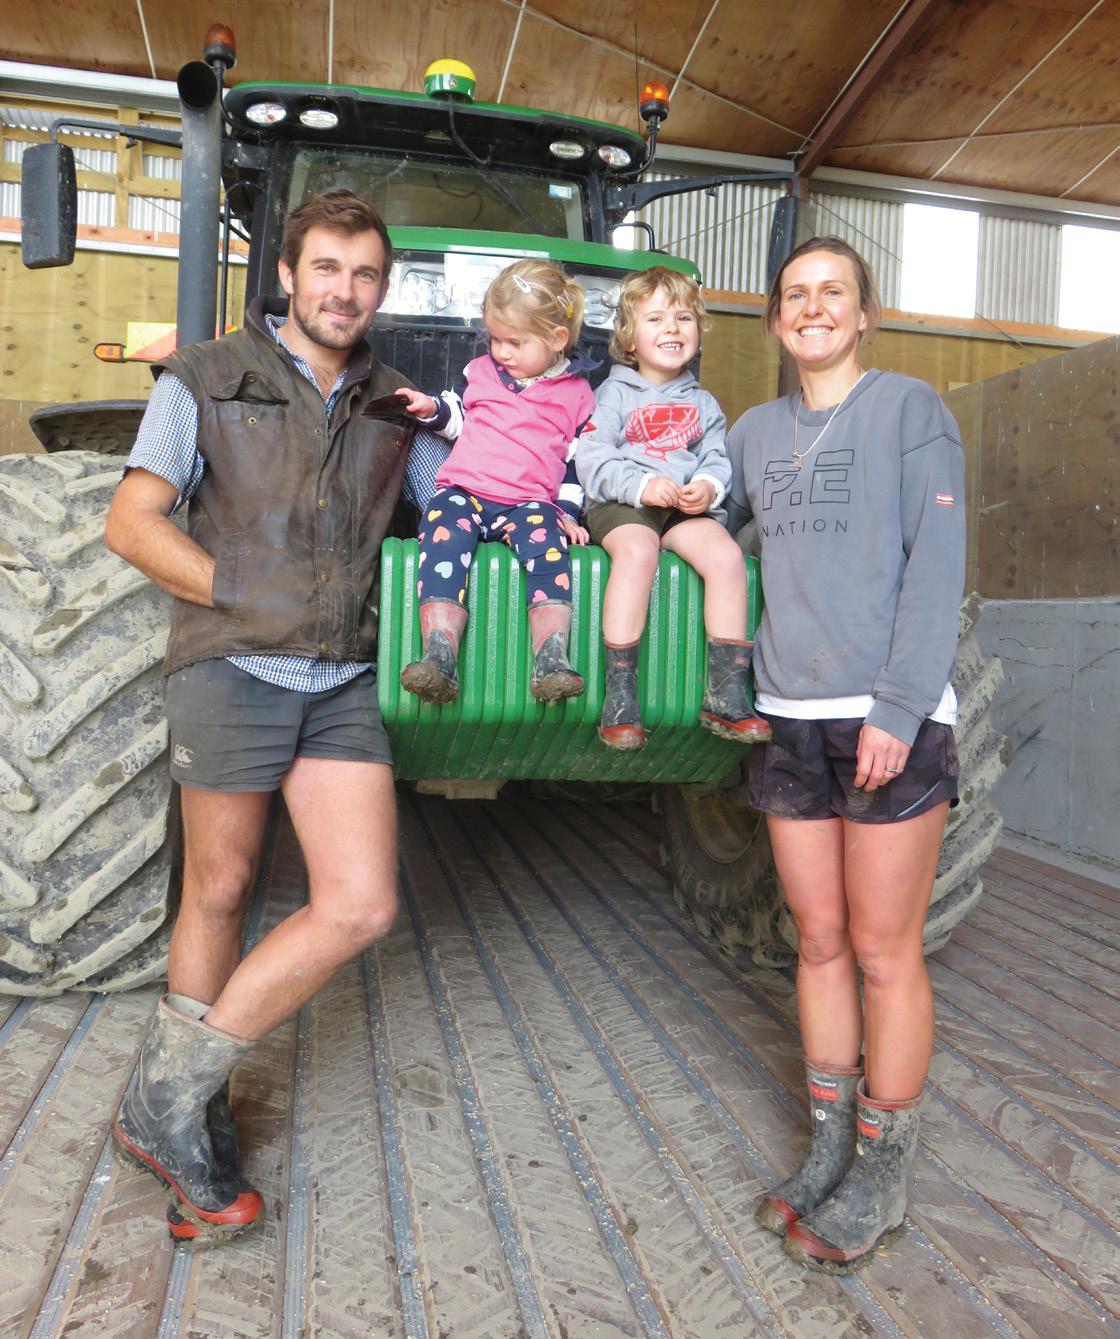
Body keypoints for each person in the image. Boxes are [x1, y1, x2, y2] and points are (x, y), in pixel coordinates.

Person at [103, 189, 413, 1244]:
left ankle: (162, 1097)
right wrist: (236, 593)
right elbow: (132, 522)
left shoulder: (396, 403)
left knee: (361, 903)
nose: (344, 290)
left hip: (340, 678)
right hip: (231, 665)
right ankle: (195, 1119)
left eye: (364, 274)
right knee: (222, 888)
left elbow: (470, 496)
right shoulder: (205, 377)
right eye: (327, 267)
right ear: (287, 274)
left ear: (382, 288)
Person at [725, 236, 965, 1272]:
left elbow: (936, 564)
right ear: (776, 319)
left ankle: (883, 1167)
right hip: (789, 713)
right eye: (795, 294)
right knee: (817, 940)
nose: (813, 308)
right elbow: (716, 528)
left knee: (881, 948)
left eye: (833, 293)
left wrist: (899, 707)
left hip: (885, 715)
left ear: (864, 313)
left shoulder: (909, 410)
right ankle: (828, 1146)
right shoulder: (751, 432)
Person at [575, 266, 770, 749]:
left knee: (727, 557)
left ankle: (725, 695)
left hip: (682, 506)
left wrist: (707, 486)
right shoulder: (612, 394)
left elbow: (716, 458)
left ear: (698, 331)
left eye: (684, 318)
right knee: (637, 552)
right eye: (656, 319)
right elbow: (592, 460)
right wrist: (641, 486)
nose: (672, 328)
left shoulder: (704, 403)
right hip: (625, 504)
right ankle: (620, 696)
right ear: (629, 338)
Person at [394, 258, 594, 704]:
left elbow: (574, 463)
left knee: (549, 551)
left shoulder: (576, 395)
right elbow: (460, 418)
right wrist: (431, 408)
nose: (501, 351)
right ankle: (439, 652)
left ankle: (551, 658)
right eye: (495, 339)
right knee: (441, 533)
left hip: (528, 503)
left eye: (514, 342)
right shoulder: (481, 372)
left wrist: (568, 513)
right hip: (466, 492)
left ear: (557, 339)